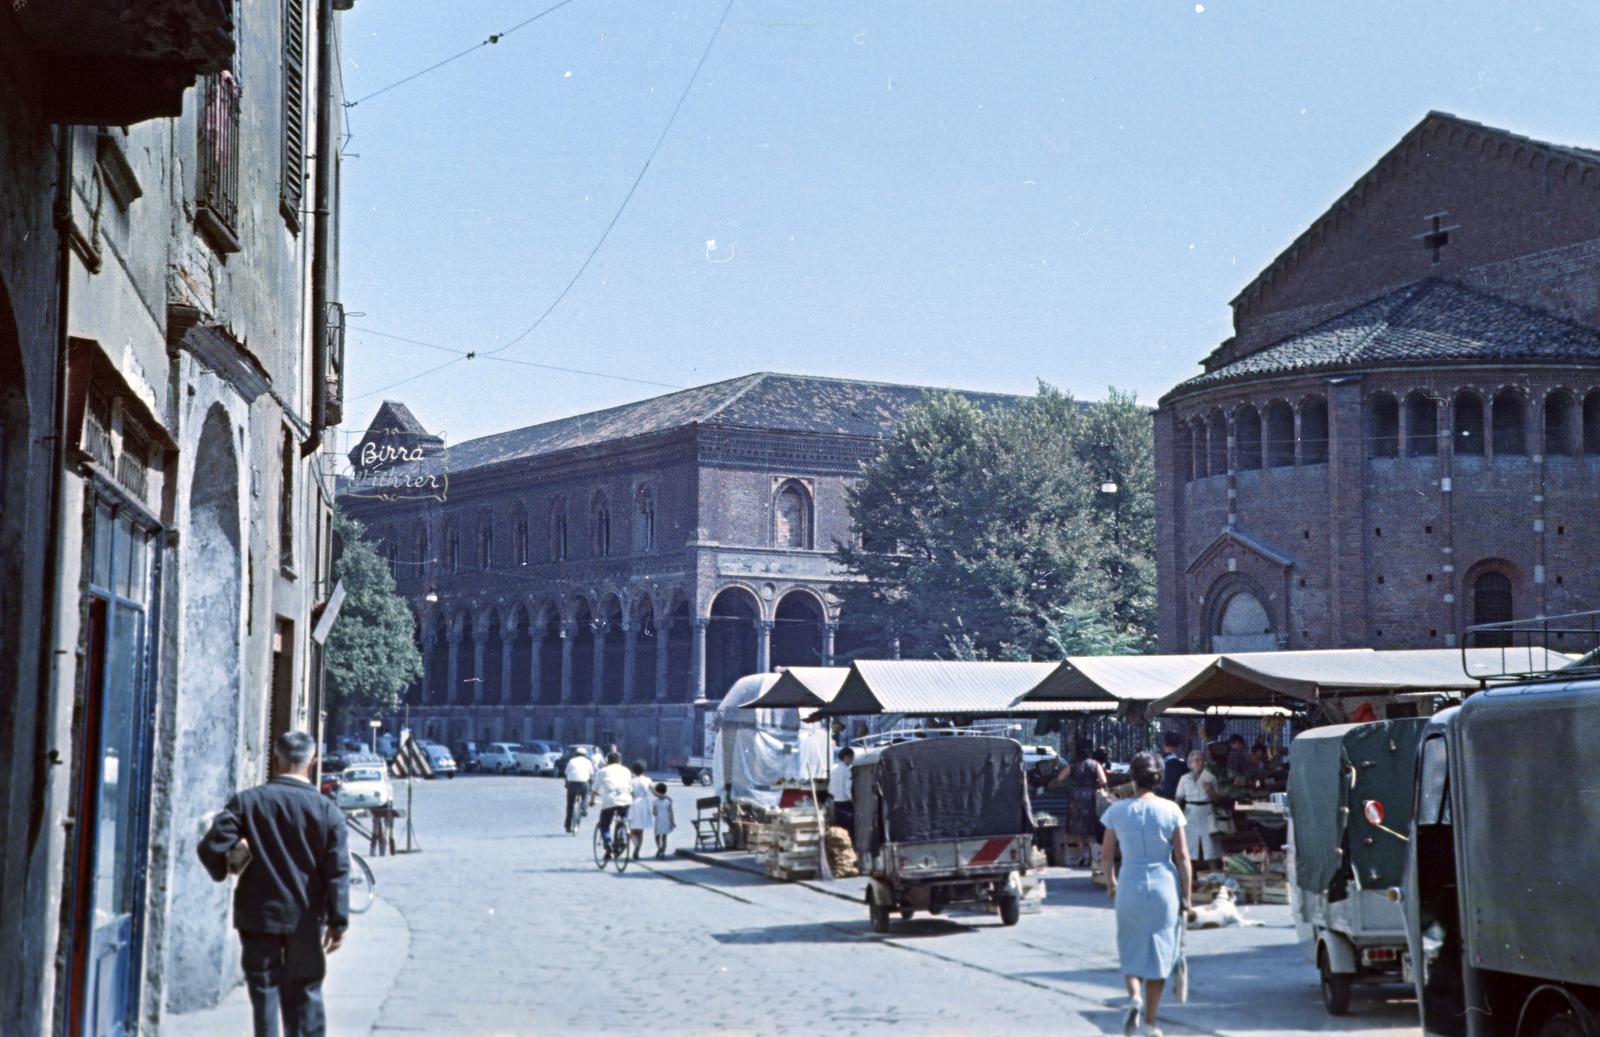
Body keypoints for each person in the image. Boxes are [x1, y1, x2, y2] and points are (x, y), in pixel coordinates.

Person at [197, 731, 350, 1037]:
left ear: (276, 759)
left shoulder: (248, 802)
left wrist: (226, 868)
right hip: (306, 917)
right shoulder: (327, 811)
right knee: (305, 990)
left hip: (257, 914)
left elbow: (212, 845)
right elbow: (338, 871)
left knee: (264, 991)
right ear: (312, 761)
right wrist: (338, 920)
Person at [1101, 751, 1193, 1037]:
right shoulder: (1171, 810)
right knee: (1162, 951)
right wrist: (1188, 897)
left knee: (1130, 946)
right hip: (1164, 884)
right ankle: (1151, 1023)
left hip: (1131, 881)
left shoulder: (1116, 811)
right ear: (1159, 778)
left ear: (1132, 778)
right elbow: (1183, 856)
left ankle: (1134, 997)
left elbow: (1106, 856)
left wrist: (1111, 883)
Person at [1175, 750, 1223, 871]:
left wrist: (1210, 791)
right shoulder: (1184, 778)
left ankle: (1215, 876)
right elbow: (1179, 798)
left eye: (1200, 760)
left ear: (1204, 762)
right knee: (1189, 847)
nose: (1197, 763)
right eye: (1194, 760)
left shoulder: (1210, 777)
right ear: (1190, 763)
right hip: (1190, 813)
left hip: (1207, 812)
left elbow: (1217, 800)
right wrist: (1175, 815)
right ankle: (1188, 877)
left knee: (1211, 848)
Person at [590, 751, 635, 857]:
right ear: (619, 761)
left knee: (604, 824)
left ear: (607, 761)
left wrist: (592, 800)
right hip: (625, 799)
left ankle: (608, 843)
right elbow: (631, 787)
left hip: (610, 800)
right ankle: (622, 834)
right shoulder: (626, 771)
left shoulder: (602, 771)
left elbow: (594, 788)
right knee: (623, 817)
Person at [625, 760, 653, 860]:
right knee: (641, 830)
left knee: (632, 829)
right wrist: (664, 796)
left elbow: (629, 793)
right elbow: (654, 792)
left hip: (634, 803)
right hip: (644, 804)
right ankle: (637, 849)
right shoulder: (648, 780)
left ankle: (635, 845)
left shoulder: (631, 781)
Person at [563, 750, 595, 834]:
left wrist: (566, 784)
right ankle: (584, 808)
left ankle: (568, 825)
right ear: (585, 755)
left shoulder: (571, 761)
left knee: (570, 805)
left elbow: (566, 774)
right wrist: (591, 786)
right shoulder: (588, 762)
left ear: (576, 754)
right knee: (585, 795)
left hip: (572, 784)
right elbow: (591, 775)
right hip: (583, 784)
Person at [827, 746, 855, 834]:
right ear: (847, 757)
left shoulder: (834, 770)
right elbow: (847, 790)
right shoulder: (847, 770)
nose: (852, 760)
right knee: (849, 830)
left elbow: (830, 789)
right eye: (851, 758)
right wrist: (854, 801)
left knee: (840, 830)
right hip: (846, 804)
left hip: (836, 803)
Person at [1157, 733, 1187, 800]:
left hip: (1159, 798)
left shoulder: (1156, 763)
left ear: (1164, 747)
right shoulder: (1182, 764)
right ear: (1178, 748)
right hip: (1176, 799)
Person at [651, 782, 676, 859]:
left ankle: (659, 848)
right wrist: (672, 822)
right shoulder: (668, 801)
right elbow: (671, 812)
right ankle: (663, 852)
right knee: (664, 837)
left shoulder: (655, 802)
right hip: (666, 820)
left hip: (658, 820)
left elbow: (654, 813)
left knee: (657, 836)